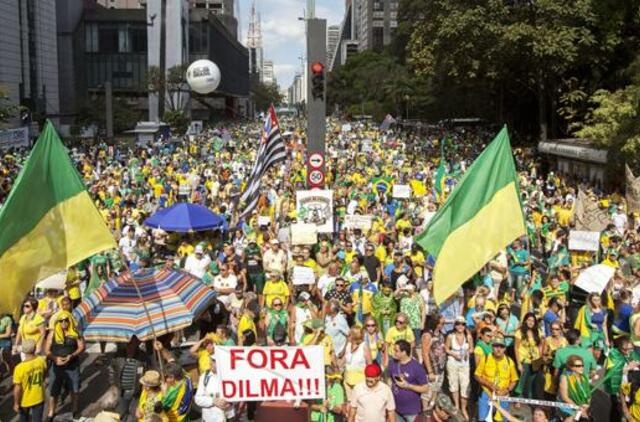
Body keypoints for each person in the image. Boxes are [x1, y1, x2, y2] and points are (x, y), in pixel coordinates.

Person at [44, 310, 85, 420]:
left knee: (74, 389)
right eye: (60, 320)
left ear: (70, 320)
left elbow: (82, 347)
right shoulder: (52, 333)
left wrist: (72, 356)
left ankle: (75, 410)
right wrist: (55, 358)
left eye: (65, 320)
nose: (63, 323)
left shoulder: (75, 332)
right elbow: (47, 350)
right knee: (53, 390)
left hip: (72, 365)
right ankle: (51, 412)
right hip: (56, 366)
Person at [474, 336, 519, 421]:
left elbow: (514, 380)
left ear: (505, 349)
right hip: (486, 393)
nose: (499, 349)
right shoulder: (486, 358)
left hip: (503, 395)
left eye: (501, 347)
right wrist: (489, 384)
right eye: (496, 346)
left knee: (502, 420)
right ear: (492, 347)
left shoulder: (510, 361)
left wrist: (506, 390)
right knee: (483, 419)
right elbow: (476, 375)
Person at [389, 339, 429, 421]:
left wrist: (408, 386)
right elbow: (390, 379)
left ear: (404, 352)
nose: (394, 353)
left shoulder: (416, 367)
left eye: (396, 351)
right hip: (396, 409)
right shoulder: (392, 363)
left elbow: (425, 388)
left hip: (412, 411)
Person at [445, 316, 473, 420]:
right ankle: (456, 406)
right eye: (458, 324)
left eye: (463, 324)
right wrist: (453, 354)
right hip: (452, 362)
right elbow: (446, 349)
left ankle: (463, 408)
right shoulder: (450, 336)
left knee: (465, 385)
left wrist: (467, 352)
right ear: (455, 325)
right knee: (453, 384)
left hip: (464, 363)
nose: (460, 326)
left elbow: (472, 348)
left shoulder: (468, 336)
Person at [13, 339, 47, 422]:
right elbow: (44, 375)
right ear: (35, 348)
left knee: (23, 419)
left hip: (25, 399)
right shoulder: (41, 360)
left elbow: (17, 389)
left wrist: (16, 403)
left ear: (23, 351)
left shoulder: (19, 368)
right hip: (39, 396)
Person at [194, 353, 234, 422]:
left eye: (215, 361)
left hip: (228, 417)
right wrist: (213, 401)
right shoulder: (204, 377)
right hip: (211, 418)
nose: (211, 363)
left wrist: (230, 402)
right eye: (211, 360)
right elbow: (198, 399)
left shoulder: (230, 375)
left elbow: (237, 396)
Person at [514, 312, 544, 399]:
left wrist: (540, 359)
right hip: (524, 359)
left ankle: (528, 398)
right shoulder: (520, 332)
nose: (531, 322)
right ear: (525, 321)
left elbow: (540, 345)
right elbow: (516, 347)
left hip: (535, 360)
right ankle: (517, 399)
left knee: (531, 381)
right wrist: (518, 363)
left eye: (533, 321)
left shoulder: (538, 332)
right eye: (529, 320)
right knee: (521, 381)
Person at [558, 355, 591, 421]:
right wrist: (577, 407)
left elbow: (588, 394)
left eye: (582, 365)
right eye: (578, 366)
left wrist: (587, 405)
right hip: (569, 407)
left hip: (583, 407)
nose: (581, 367)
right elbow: (564, 397)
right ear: (570, 367)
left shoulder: (584, 377)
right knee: (571, 419)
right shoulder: (565, 378)